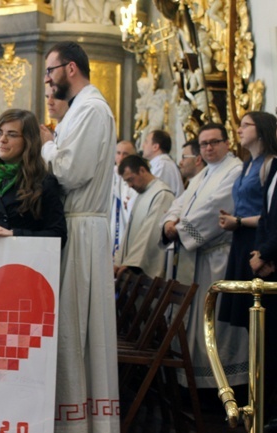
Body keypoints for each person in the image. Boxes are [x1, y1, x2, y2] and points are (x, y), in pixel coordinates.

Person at [41, 41, 120, 432]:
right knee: (72, 329)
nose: (47, 80)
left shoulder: (91, 108)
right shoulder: (79, 110)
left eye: (50, 71)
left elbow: (70, 173)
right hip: (76, 224)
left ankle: (81, 422)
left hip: (83, 227)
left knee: (77, 329)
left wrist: (45, 145)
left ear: (70, 68)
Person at [161, 122, 246, 388]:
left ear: (227, 143)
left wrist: (180, 230)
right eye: (204, 144)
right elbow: (180, 201)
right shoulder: (204, 174)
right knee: (198, 326)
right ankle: (197, 386)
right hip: (197, 258)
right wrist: (169, 222)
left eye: (214, 142)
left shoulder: (235, 171)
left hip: (218, 258)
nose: (208, 148)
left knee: (217, 328)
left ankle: (224, 386)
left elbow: (215, 209)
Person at [0, 108, 67, 246]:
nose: (2, 140)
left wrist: (14, 234)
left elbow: (58, 235)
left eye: (12, 134)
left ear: (28, 141)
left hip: (24, 263)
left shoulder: (44, 182)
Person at [218, 111, 277, 328]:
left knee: (260, 312)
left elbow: (271, 214)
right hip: (241, 240)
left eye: (246, 125)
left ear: (262, 129)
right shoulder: (247, 164)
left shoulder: (270, 163)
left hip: (258, 240)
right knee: (245, 313)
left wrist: (240, 221)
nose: (239, 129)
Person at [250, 106, 277, 432]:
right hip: (268, 263)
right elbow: (267, 216)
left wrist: (268, 252)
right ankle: (266, 407)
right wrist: (261, 251)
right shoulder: (274, 169)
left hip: (274, 260)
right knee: (269, 342)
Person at [114, 155, 174, 279]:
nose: (130, 185)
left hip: (144, 268)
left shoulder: (161, 193)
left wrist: (131, 263)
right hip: (130, 264)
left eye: (131, 179)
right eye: (126, 182)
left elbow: (150, 232)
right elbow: (129, 232)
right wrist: (118, 261)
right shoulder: (142, 193)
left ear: (142, 170)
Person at [111, 140, 138, 257]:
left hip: (125, 224)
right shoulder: (108, 173)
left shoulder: (136, 177)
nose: (121, 157)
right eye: (118, 153)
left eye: (125, 154)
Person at [141, 129, 185, 197]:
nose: (143, 146)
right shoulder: (160, 164)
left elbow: (151, 193)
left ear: (155, 147)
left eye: (146, 142)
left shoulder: (162, 166)